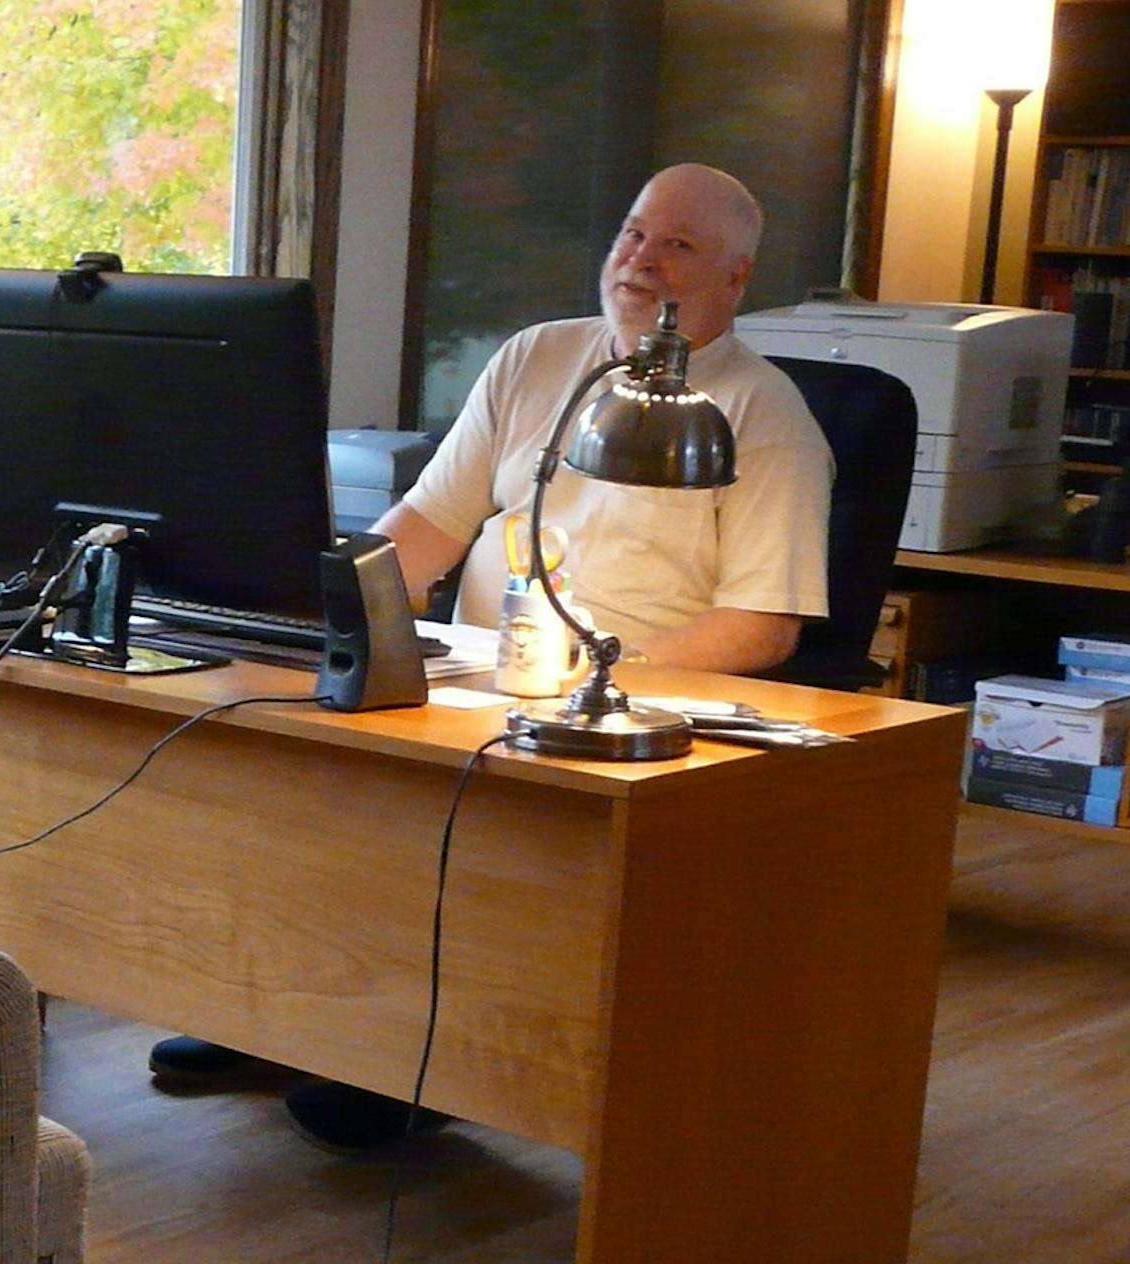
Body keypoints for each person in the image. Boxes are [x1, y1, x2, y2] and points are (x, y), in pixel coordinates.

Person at [149, 162, 833, 1153]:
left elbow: (764, 623)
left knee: (462, 832)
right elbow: (429, 519)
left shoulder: (763, 416)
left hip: (607, 708)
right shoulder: (538, 358)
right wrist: (341, 609)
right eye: (634, 233)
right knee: (286, 752)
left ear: (735, 278)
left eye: (676, 245)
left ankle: (412, 1054)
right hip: (470, 675)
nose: (641, 259)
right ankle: (274, 1015)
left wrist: (598, 692)